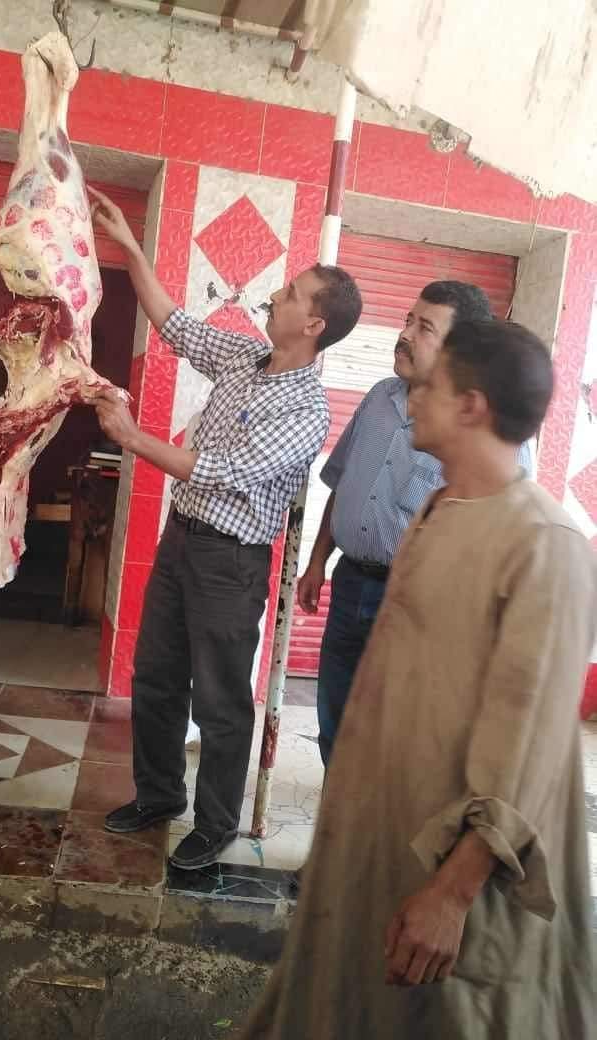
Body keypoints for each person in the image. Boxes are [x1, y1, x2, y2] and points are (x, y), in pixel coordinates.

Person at [238, 320, 596, 1040]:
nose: (413, 399)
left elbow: (527, 744)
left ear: (471, 405)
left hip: (461, 877)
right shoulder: (439, 511)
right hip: (386, 833)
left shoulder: (545, 543)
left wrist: (453, 894)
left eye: (429, 387)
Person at [88, 186, 363, 870]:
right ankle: (159, 795)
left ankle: (215, 826)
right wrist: (129, 247)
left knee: (219, 701)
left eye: (291, 294)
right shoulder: (243, 357)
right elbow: (173, 323)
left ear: (315, 323)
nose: (275, 296)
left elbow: (221, 470)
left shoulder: (307, 411)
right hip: (181, 541)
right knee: (156, 677)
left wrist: (133, 438)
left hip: (230, 564)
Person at [298, 281, 533, 766]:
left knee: (396, 736)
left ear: (459, 350)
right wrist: (318, 560)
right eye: (408, 320)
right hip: (349, 585)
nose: (404, 334)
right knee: (335, 720)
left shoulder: (481, 432)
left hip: (413, 600)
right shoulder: (379, 397)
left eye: (424, 327)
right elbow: (343, 482)